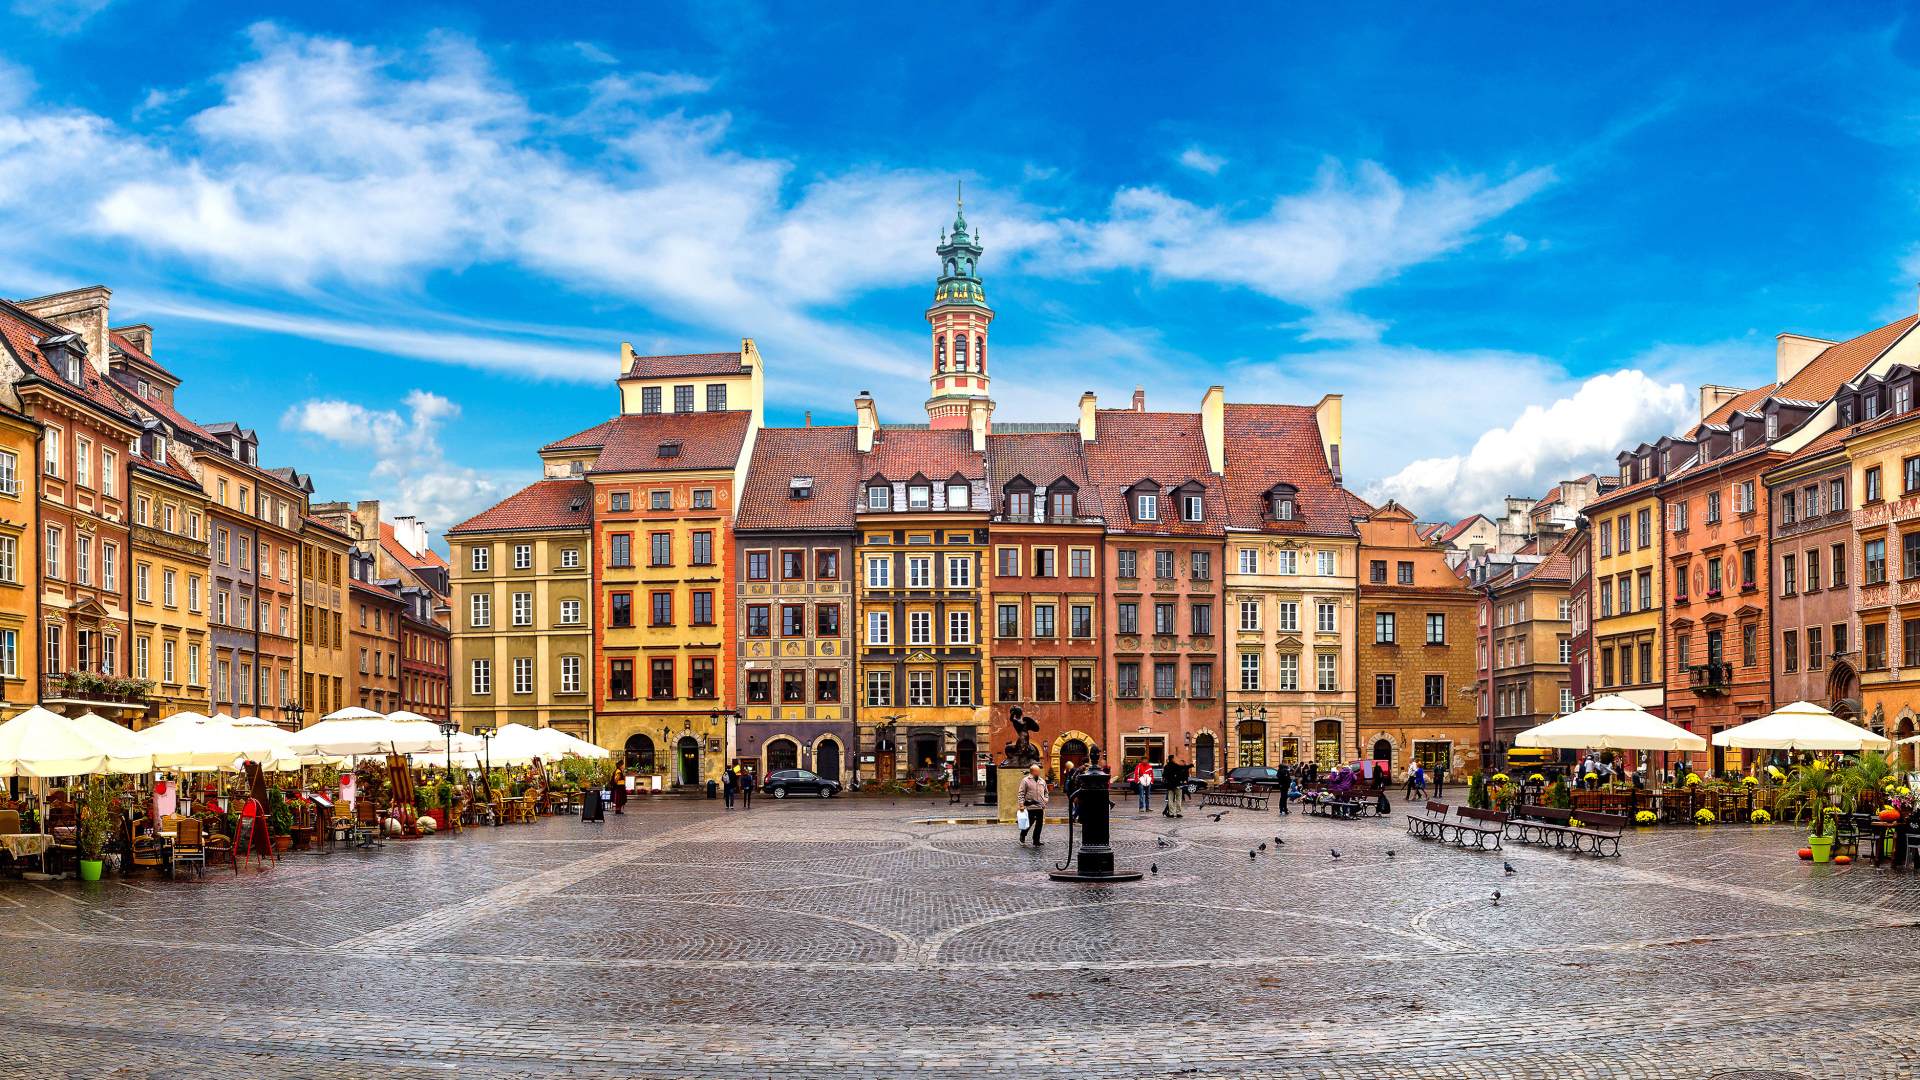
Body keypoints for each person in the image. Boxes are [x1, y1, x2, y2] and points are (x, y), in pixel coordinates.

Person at [1017, 764, 1049, 846]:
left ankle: (1036, 840)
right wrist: (1021, 804)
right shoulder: (1025, 780)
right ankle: (1023, 834)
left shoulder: (1042, 781)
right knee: (1030, 822)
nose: (1038, 772)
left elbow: (1046, 792)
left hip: (1040, 806)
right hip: (1030, 805)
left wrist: (1045, 800)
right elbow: (1021, 793)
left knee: (1039, 824)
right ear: (1032, 771)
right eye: (1036, 770)